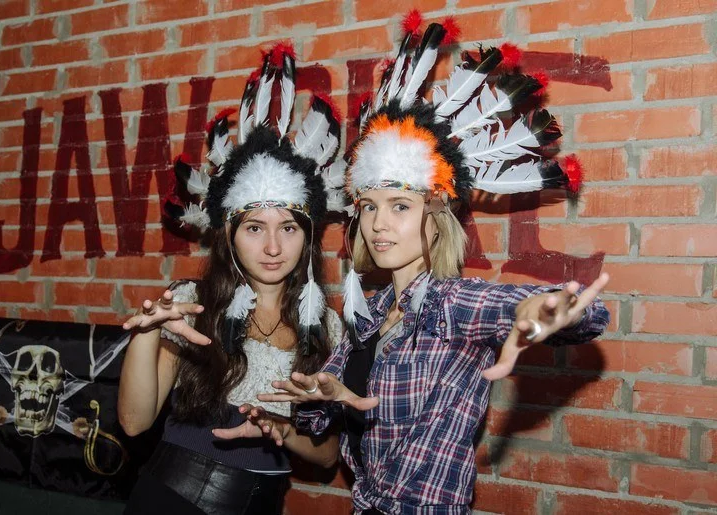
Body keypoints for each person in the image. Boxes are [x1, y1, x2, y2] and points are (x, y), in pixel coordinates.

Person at [256, 14, 611, 515]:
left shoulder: (452, 303)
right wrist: (322, 394)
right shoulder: (369, 314)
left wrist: (544, 310)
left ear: (436, 217)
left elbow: (581, 314)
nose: (379, 224)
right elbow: (317, 422)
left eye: (400, 206)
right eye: (369, 206)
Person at [117, 43, 346, 515]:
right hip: (174, 499)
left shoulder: (326, 326)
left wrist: (281, 428)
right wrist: (146, 334)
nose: (273, 247)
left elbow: (327, 456)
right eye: (255, 228)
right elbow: (135, 423)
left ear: (308, 237)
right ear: (230, 236)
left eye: (288, 228)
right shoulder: (192, 304)